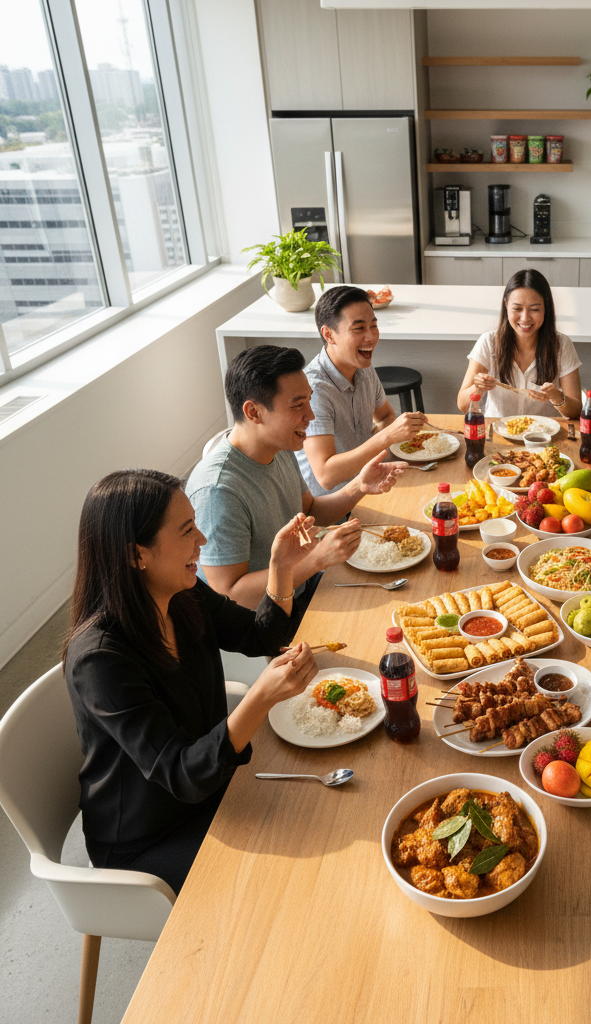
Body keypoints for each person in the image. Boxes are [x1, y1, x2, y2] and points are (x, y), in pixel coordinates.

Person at [63, 470, 320, 894]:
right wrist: (259, 698)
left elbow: (260, 635)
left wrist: (281, 568)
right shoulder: (99, 659)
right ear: (136, 555)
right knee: (281, 884)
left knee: (319, 815)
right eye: (186, 531)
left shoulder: (182, 594)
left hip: (212, 788)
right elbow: (180, 773)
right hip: (148, 839)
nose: (201, 541)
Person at [186, 345, 405, 613]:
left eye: (309, 401)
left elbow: (311, 510)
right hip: (265, 618)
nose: (311, 416)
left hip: (303, 586)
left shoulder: (279, 446)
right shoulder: (218, 490)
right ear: (254, 412)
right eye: (298, 405)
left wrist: (359, 485)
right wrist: (316, 560)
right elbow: (231, 595)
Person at [298, 286, 428, 497]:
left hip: (366, 488)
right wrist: (386, 437)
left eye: (374, 325)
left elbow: (385, 416)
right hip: (330, 511)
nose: (371, 337)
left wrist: (385, 441)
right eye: (359, 329)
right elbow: (326, 475)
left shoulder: (362, 368)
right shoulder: (315, 390)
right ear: (328, 334)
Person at [457, 269, 583, 419]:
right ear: (506, 305)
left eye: (534, 309)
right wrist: (477, 389)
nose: (525, 318)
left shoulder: (562, 345)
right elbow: (463, 405)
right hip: (498, 432)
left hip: (544, 435)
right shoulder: (488, 342)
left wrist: (557, 397)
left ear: (546, 308)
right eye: (517, 309)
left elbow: (575, 411)